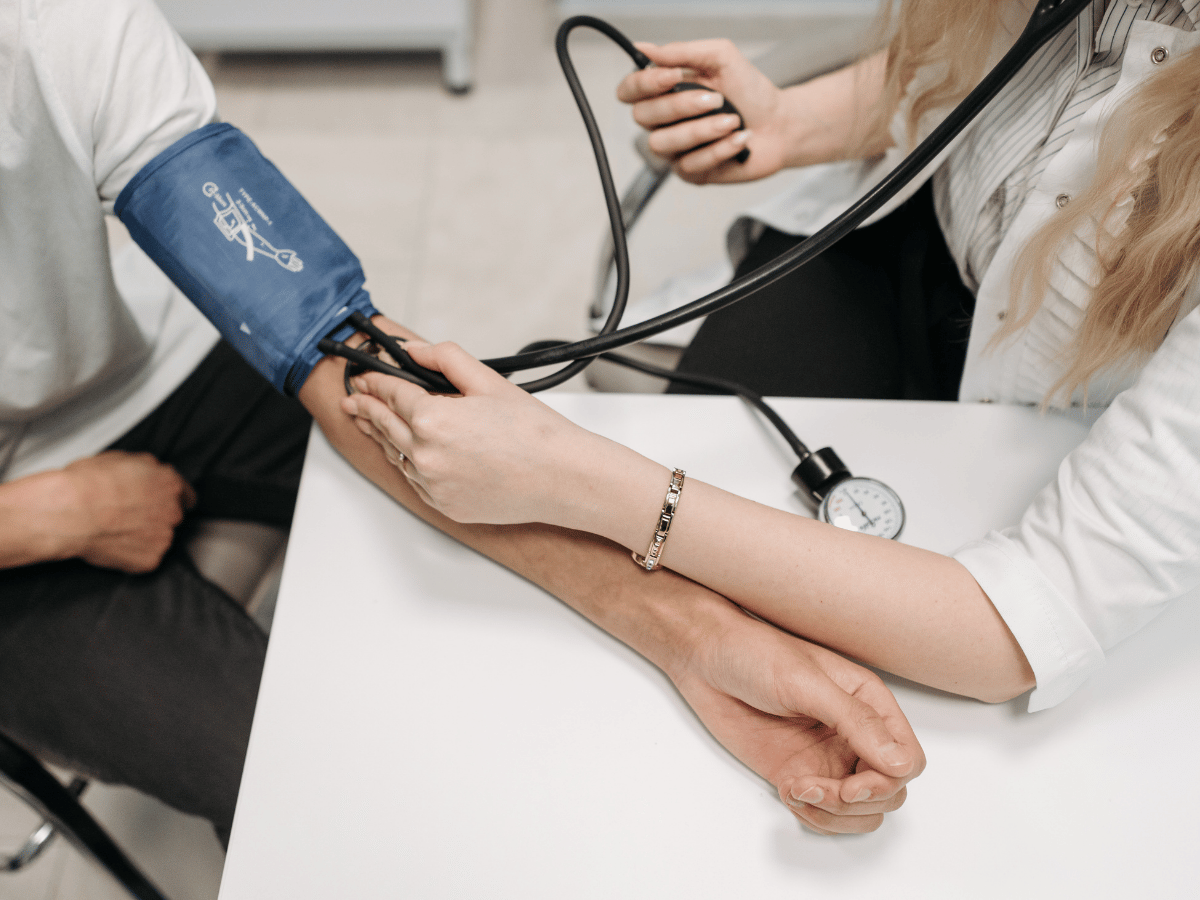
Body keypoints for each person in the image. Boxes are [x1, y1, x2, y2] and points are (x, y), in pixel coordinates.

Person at [0, 0, 923, 845]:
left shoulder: (52, 25)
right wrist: (49, 516)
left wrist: (694, 633)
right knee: (309, 799)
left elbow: (332, 348)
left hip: (153, 367)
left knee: (474, 475)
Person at [340, 0, 1200, 827]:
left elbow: (1024, 626)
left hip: (1049, 409)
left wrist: (568, 473)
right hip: (899, 253)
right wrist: (792, 124)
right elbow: (996, 77)